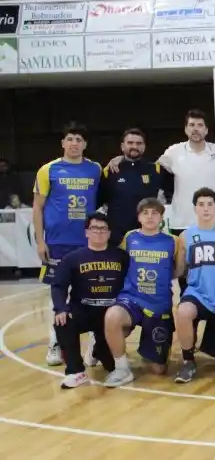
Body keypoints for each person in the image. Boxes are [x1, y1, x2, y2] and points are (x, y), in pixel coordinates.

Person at [33, 121, 102, 367]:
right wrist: (40, 241)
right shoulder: (48, 170)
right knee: (58, 294)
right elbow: (38, 208)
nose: (74, 143)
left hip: (87, 243)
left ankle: (97, 345)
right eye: (70, 139)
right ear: (63, 142)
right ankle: (55, 342)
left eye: (79, 140)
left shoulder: (95, 170)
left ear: (85, 144)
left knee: (92, 293)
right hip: (58, 243)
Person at [102, 198, 177, 387]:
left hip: (159, 305)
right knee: (112, 316)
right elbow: (119, 263)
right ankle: (122, 369)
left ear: (161, 217)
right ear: (139, 217)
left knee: (159, 370)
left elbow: (179, 270)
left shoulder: (172, 242)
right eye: (145, 213)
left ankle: (149, 349)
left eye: (154, 213)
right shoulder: (130, 238)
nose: (150, 217)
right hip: (132, 299)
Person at [51, 213, 126, 389]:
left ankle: (98, 349)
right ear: (86, 232)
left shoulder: (121, 257)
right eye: (94, 228)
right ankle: (75, 371)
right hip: (83, 309)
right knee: (63, 322)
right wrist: (60, 308)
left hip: (109, 314)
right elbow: (58, 286)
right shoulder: (73, 258)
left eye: (103, 229)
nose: (99, 232)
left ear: (109, 233)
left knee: (111, 366)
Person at [172, 188, 215, 383]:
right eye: (201, 205)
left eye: (210, 204)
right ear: (195, 208)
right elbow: (179, 270)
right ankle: (188, 361)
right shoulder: (186, 236)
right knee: (183, 312)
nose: (206, 209)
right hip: (197, 293)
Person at [153, 110, 215, 234]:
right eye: (191, 125)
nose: (195, 129)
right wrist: (121, 159)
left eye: (200, 125)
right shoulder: (173, 152)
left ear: (206, 130)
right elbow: (150, 170)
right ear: (185, 129)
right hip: (182, 222)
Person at [98, 128, 171, 247]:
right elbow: (100, 201)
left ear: (144, 146)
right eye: (130, 143)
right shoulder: (110, 171)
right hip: (117, 236)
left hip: (146, 234)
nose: (134, 146)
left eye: (138, 143)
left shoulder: (156, 170)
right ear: (122, 146)